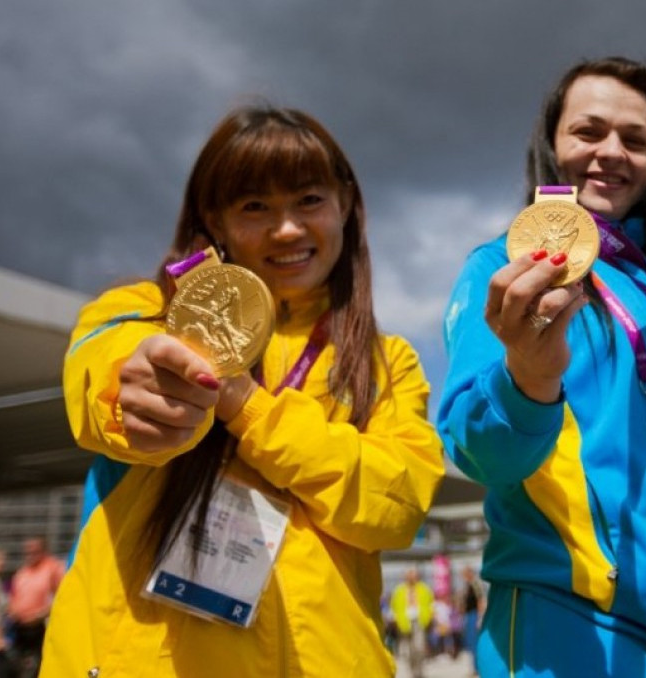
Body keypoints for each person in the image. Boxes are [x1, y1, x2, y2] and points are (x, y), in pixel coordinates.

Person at [43, 105, 445, 677]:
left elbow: (396, 505)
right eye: (255, 206)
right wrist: (132, 394)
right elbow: (102, 370)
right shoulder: (146, 312)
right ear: (216, 218)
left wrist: (245, 404)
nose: (287, 229)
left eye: (308, 200)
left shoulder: (388, 363)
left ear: (346, 204)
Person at [438, 56, 646, 677]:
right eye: (589, 132)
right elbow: (482, 456)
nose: (611, 152)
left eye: (634, 139)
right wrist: (529, 378)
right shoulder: (501, 274)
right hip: (573, 625)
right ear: (551, 144)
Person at [6, 538, 63, 677]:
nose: (30, 554)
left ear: (43, 551)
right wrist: (12, 610)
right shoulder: (23, 572)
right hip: (21, 627)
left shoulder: (53, 567)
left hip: (41, 626)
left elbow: (62, 596)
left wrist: (42, 613)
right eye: (27, 551)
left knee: (38, 667)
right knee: (17, 667)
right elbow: (13, 595)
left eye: (34, 551)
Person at [389, 568, 434, 678]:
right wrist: (393, 619)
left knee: (419, 648)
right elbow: (393, 606)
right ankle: (412, 670)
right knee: (407, 651)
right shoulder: (399, 590)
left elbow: (431, 604)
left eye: (413, 575)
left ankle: (418, 671)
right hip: (404, 623)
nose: (411, 578)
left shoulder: (424, 589)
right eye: (409, 575)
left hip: (419, 621)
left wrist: (430, 618)